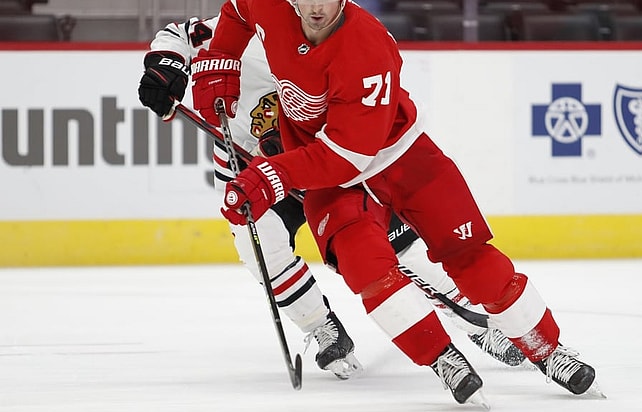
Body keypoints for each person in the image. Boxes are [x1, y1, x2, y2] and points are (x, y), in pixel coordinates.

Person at [189, 0, 600, 408]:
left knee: (473, 260)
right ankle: (441, 357)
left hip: (398, 157)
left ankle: (547, 350)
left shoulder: (366, 46)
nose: (317, 7)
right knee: (368, 271)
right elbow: (237, 12)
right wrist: (222, 59)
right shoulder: (267, 6)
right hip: (334, 181)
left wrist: (271, 175)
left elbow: (347, 156)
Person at [137, 12, 528, 383]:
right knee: (260, 249)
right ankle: (320, 325)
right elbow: (177, 36)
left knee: (399, 246)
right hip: (251, 163)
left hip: (326, 158)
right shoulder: (244, 26)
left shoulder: (333, 33)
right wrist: (164, 67)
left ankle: (474, 319)